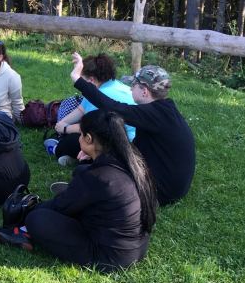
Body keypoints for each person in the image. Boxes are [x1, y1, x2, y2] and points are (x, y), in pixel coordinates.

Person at [21, 109, 158, 272]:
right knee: (81, 171)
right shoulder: (133, 161)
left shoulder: (96, 176)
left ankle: (74, 196)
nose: (79, 138)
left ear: (89, 138)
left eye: (80, 134)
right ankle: (77, 195)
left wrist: (30, 209)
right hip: (137, 247)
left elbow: (58, 206)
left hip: (110, 256)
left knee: (36, 219)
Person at [69, 54, 195, 206]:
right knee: (88, 170)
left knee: (86, 174)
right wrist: (100, 152)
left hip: (160, 191)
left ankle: (78, 199)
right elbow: (134, 148)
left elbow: (112, 107)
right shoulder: (162, 111)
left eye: (134, 86)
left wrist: (77, 79)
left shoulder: (153, 114)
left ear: (145, 92)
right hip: (169, 185)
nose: (130, 89)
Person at [44, 53, 136, 166]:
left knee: (74, 141)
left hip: (124, 144)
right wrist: (62, 123)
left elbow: (91, 128)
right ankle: (80, 156)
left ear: (91, 80)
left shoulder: (103, 94)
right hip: (116, 136)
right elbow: (81, 109)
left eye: (81, 79)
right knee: (75, 136)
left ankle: (57, 149)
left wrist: (66, 128)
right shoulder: (110, 84)